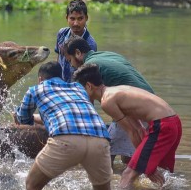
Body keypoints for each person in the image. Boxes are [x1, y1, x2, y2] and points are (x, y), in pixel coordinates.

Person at [14, 61, 115, 190]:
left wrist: (17, 116)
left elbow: (24, 120)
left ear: (40, 79)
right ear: (62, 77)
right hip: (100, 138)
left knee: (32, 184)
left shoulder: (36, 90)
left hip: (66, 140)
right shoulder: (78, 88)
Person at [73, 63, 182, 188]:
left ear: (89, 86)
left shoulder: (107, 101)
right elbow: (139, 129)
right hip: (173, 123)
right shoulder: (116, 91)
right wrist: (145, 164)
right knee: (161, 172)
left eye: (80, 90)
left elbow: (133, 131)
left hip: (163, 126)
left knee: (127, 175)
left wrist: (145, 165)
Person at [63, 35, 154, 166]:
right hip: (149, 102)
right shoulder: (107, 55)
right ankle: (136, 178)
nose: (71, 64)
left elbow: (87, 102)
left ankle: (114, 183)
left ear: (77, 53)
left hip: (137, 108)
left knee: (104, 152)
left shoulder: (91, 66)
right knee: (127, 156)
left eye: (69, 60)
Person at [55, 0, 97, 82]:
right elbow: (58, 57)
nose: (76, 23)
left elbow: (88, 73)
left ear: (86, 18)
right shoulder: (62, 33)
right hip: (61, 82)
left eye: (80, 18)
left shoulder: (90, 44)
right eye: (72, 19)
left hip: (76, 86)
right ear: (67, 18)